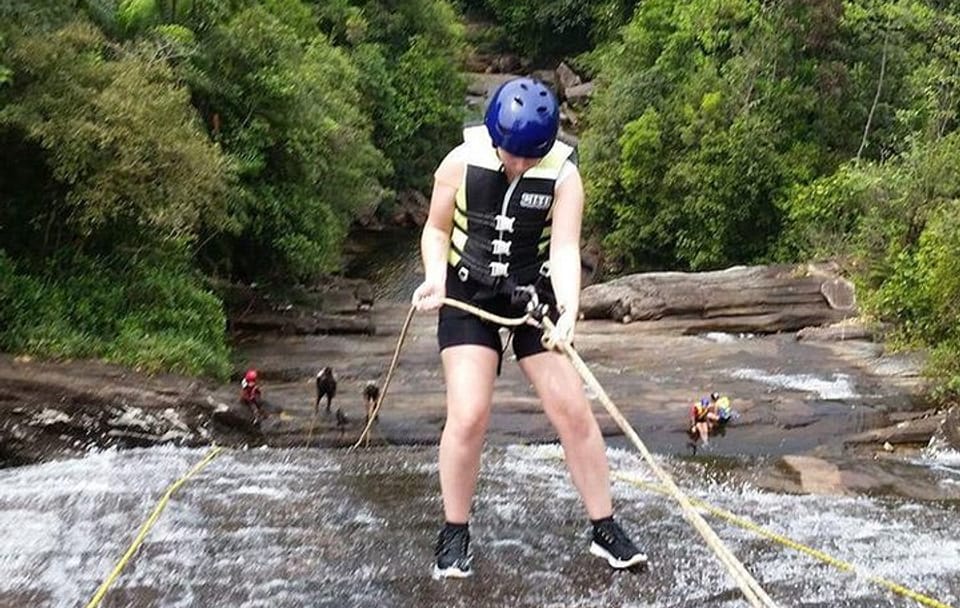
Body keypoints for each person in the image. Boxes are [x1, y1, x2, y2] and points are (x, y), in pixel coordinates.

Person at [411, 76, 647, 579]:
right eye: (511, 154)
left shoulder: (563, 176)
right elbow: (435, 229)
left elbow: (563, 249)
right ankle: (454, 531)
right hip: (466, 292)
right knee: (470, 413)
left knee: (573, 410)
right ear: (494, 136)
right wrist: (435, 278)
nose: (518, 164)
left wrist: (567, 311)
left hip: (531, 296)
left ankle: (604, 528)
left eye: (529, 156)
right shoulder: (459, 162)